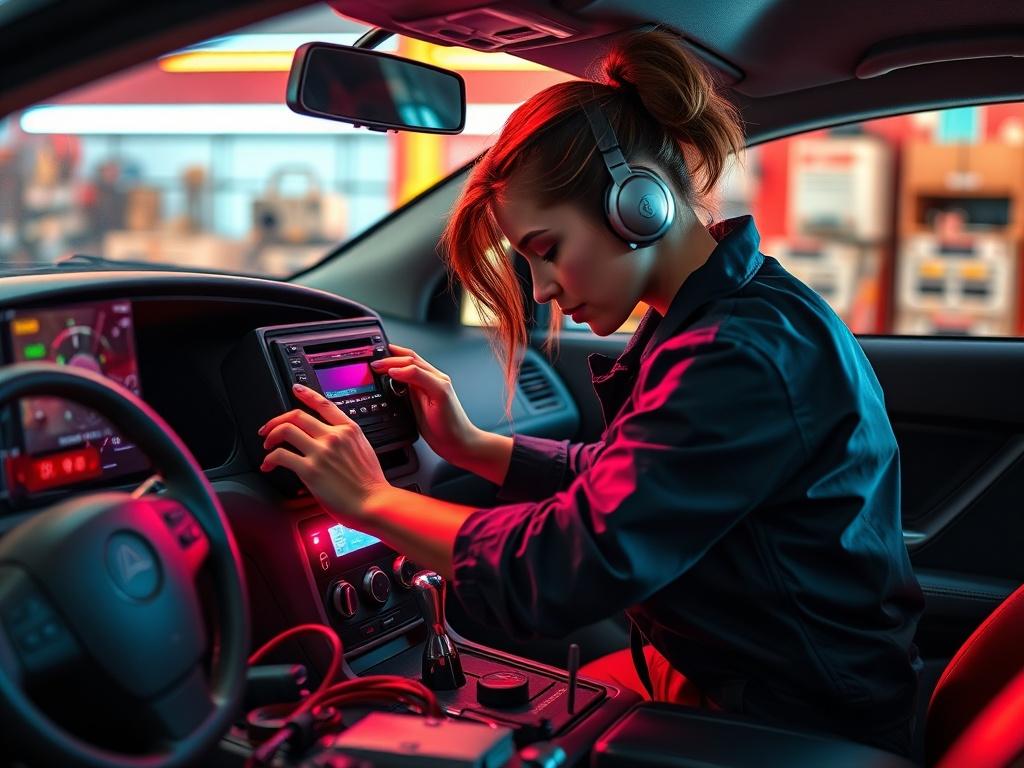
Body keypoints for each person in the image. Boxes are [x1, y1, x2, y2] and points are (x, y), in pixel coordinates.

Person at [259, 29, 924, 756]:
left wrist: (370, 501)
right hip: (768, 680)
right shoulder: (728, 316)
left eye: (547, 250)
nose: (541, 288)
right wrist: (476, 447)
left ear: (636, 204)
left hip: (795, 720)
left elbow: (570, 565)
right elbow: (641, 483)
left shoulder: (737, 354)